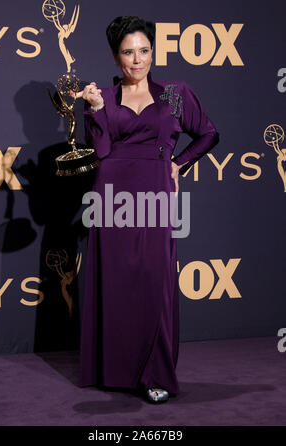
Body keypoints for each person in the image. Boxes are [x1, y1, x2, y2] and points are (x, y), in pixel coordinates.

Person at [74, 16, 220, 404]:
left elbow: (208, 133)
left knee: (154, 284)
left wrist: (179, 163)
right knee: (117, 282)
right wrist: (95, 110)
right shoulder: (102, 95)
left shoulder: (175, 93)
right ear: (114, 55)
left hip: (155, 191)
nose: (137, 60)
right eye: (128, 52)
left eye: (144, 50)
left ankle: (156, 373)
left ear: (153, 51)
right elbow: (102, 151)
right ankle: (118, 370)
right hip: (111, 194)